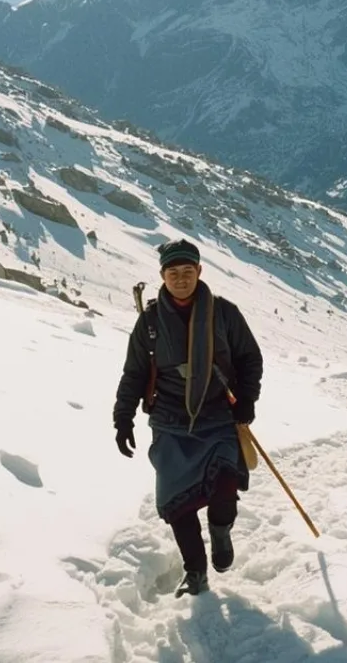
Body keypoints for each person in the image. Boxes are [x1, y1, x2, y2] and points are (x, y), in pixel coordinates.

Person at [113, 239, 264, 597]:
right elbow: (134, 372)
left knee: (225, 486)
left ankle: (220, 529)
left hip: (218, 415)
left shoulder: (224, 313)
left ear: (199, 271)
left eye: (187, 271)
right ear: (162, 276)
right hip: (169, 421)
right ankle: (195, 571)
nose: (180, 279)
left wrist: (247, 399)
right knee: (177, 502)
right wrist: (123, 418)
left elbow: (249, 358)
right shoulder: (150, 323)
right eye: (173, 273)